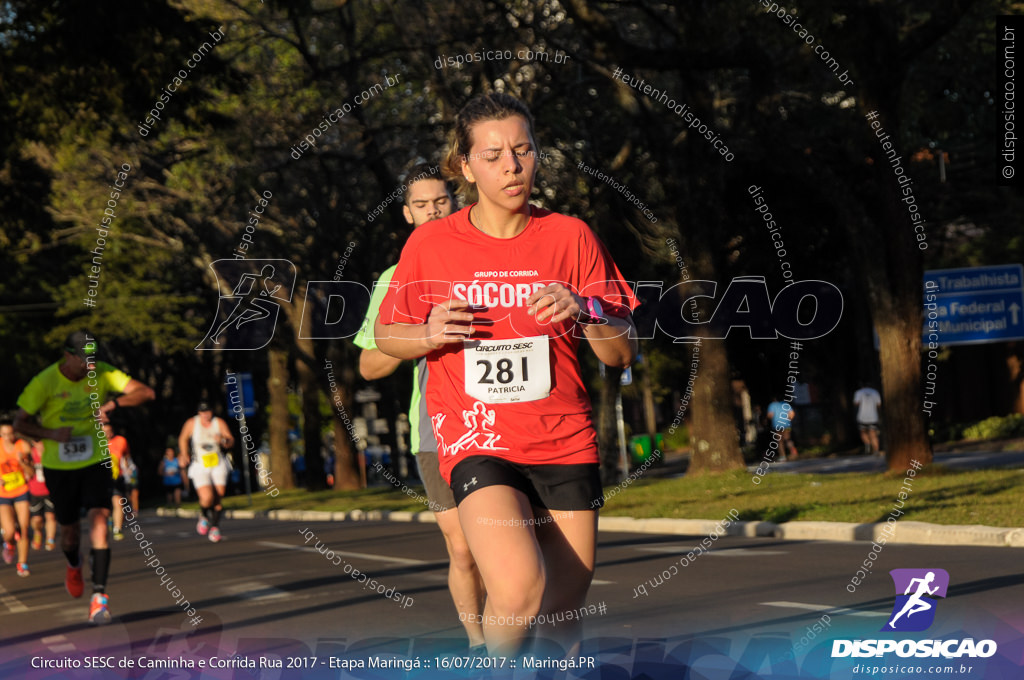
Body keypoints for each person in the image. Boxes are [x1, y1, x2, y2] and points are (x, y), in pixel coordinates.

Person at [375, 93, 638, 655]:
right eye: (493, 155)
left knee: (564, 610)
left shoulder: (571, 237)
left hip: (563, 440)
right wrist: (429, 334)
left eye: (522, 150)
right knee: (519, 589)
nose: (512, 166)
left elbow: (622, 353)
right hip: (478, 441)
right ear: (466, 167)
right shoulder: (431, 243)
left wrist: (586, 309)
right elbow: (386, 336)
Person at [354, 160, 488, 649]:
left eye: (441, 202)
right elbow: (370, 366)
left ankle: (507, 639)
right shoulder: (396, 276)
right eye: (421, 206)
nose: (433, 213)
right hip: (437, 427)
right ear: (406, 215)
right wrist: (425, 336)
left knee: (508, 546)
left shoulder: (490, 256)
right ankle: (479, 644)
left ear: (458, 200)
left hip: (507, 418)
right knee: (464, 548)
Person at [14, 330, 155, 624]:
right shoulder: (45, 381)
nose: (90, 366)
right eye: (83, 360)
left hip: (96, 460)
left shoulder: (103, 374)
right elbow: (20, 423)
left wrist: (112, 405)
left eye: (93, 360)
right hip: (59, 466)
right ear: (67, 356)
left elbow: (145, 392)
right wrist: (51, 434)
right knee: (70, 534)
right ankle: (73, 564)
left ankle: (99, 597)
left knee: (100, 521)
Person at [178, 402, 234, 542]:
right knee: (207, 497)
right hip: (200, 463)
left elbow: (230, 440)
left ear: (212, 411)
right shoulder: (192, 423)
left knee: (218, 496)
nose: (205, 415)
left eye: (208, 411)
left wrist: (222, 440)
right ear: (199, 413)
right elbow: (183, 438)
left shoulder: (218, 422)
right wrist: (184, 453)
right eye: (202, 412)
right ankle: (203, 516)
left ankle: (215, 527)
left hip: (217, 462)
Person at [0, 419, 33, 577]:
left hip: (21, 490)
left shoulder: (23, 446)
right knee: (9, 531)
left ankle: (22, 563)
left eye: (10, 434)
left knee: (24, 528)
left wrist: (22, 463)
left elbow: (31, 473)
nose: (7, 437)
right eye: (4, 434)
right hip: (3, 493)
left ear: (14, 433)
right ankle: (9, 543)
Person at [26, 438, 57, 551]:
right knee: (37, 519)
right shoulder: (30, 454)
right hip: (35, 491)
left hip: (50, 491)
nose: (41, 444)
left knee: (51, 516)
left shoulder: (51, 452)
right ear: (33, 442)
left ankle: (50, 539)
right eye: (38, 442)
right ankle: (38, 531)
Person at [104, 424, 129, 540]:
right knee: (104, 506)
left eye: (109, 430)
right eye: (104, 431)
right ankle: (109, 518)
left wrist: (127, 467)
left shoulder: (121, 441)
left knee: (118, 502)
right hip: (101, 479)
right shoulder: (95, 443)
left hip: (116, 477)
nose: (107, 433)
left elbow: (126, 455)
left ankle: (117, 528)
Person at [853, 383, 882, 456]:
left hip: (862, 417)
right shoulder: (875, 392)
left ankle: (867, 445)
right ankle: (876, 450)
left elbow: (856, 403)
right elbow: (879, 405)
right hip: (873, 416)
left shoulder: (859, 392)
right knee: (873, 434)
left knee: (863, 432)